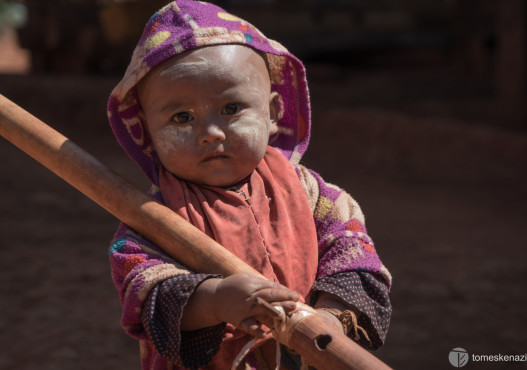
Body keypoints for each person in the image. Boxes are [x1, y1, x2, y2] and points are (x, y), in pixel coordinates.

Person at [107, 1, 392, 369]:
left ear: (273, 113)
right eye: (182, 117)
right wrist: (216, 299)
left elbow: (356, 258)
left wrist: (331, 319)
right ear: (148, 133)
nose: (210, 133)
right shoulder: (153, 219)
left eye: (230, 109)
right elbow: (146, 294)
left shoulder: (314, 195)